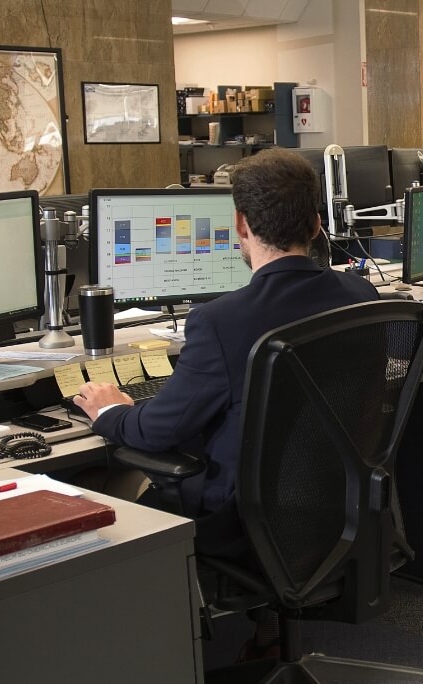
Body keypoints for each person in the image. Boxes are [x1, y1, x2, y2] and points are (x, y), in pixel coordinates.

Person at [74, 149, 380, 548]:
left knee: (112, 485)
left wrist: (111, 410)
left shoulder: (219, 321)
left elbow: (156, 430)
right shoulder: (362, 293)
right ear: (317, 224)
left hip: (244, 516)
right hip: (339, 501)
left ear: (241, 224)